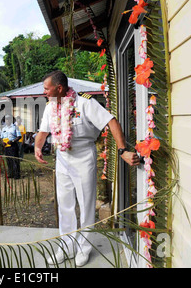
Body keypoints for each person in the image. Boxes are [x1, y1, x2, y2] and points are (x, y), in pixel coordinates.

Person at [34, 71, 140, 267]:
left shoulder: (84, 103)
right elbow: (43, 130)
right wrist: (38, 147)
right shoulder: (50, 107)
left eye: (47, 88)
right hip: (62, 158)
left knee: (86, 205)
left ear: (59, 88)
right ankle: (66, 247)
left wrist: (122, 149)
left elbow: (111, 121)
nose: (44, 92)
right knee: (64, 204)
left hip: (84, 157)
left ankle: (84, 248)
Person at [1, 115, 21, 179]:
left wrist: (12, 141)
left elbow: (19, 136)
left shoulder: (15, 127)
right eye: (6, 119)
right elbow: (1, 137)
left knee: (15, 160)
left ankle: (17, 174)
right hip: (7, 146)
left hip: (13, 146)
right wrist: (2, 142)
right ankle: (11, 173)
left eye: (9, 119)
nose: (7, 121)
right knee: (8, 160)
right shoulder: (4, 128)